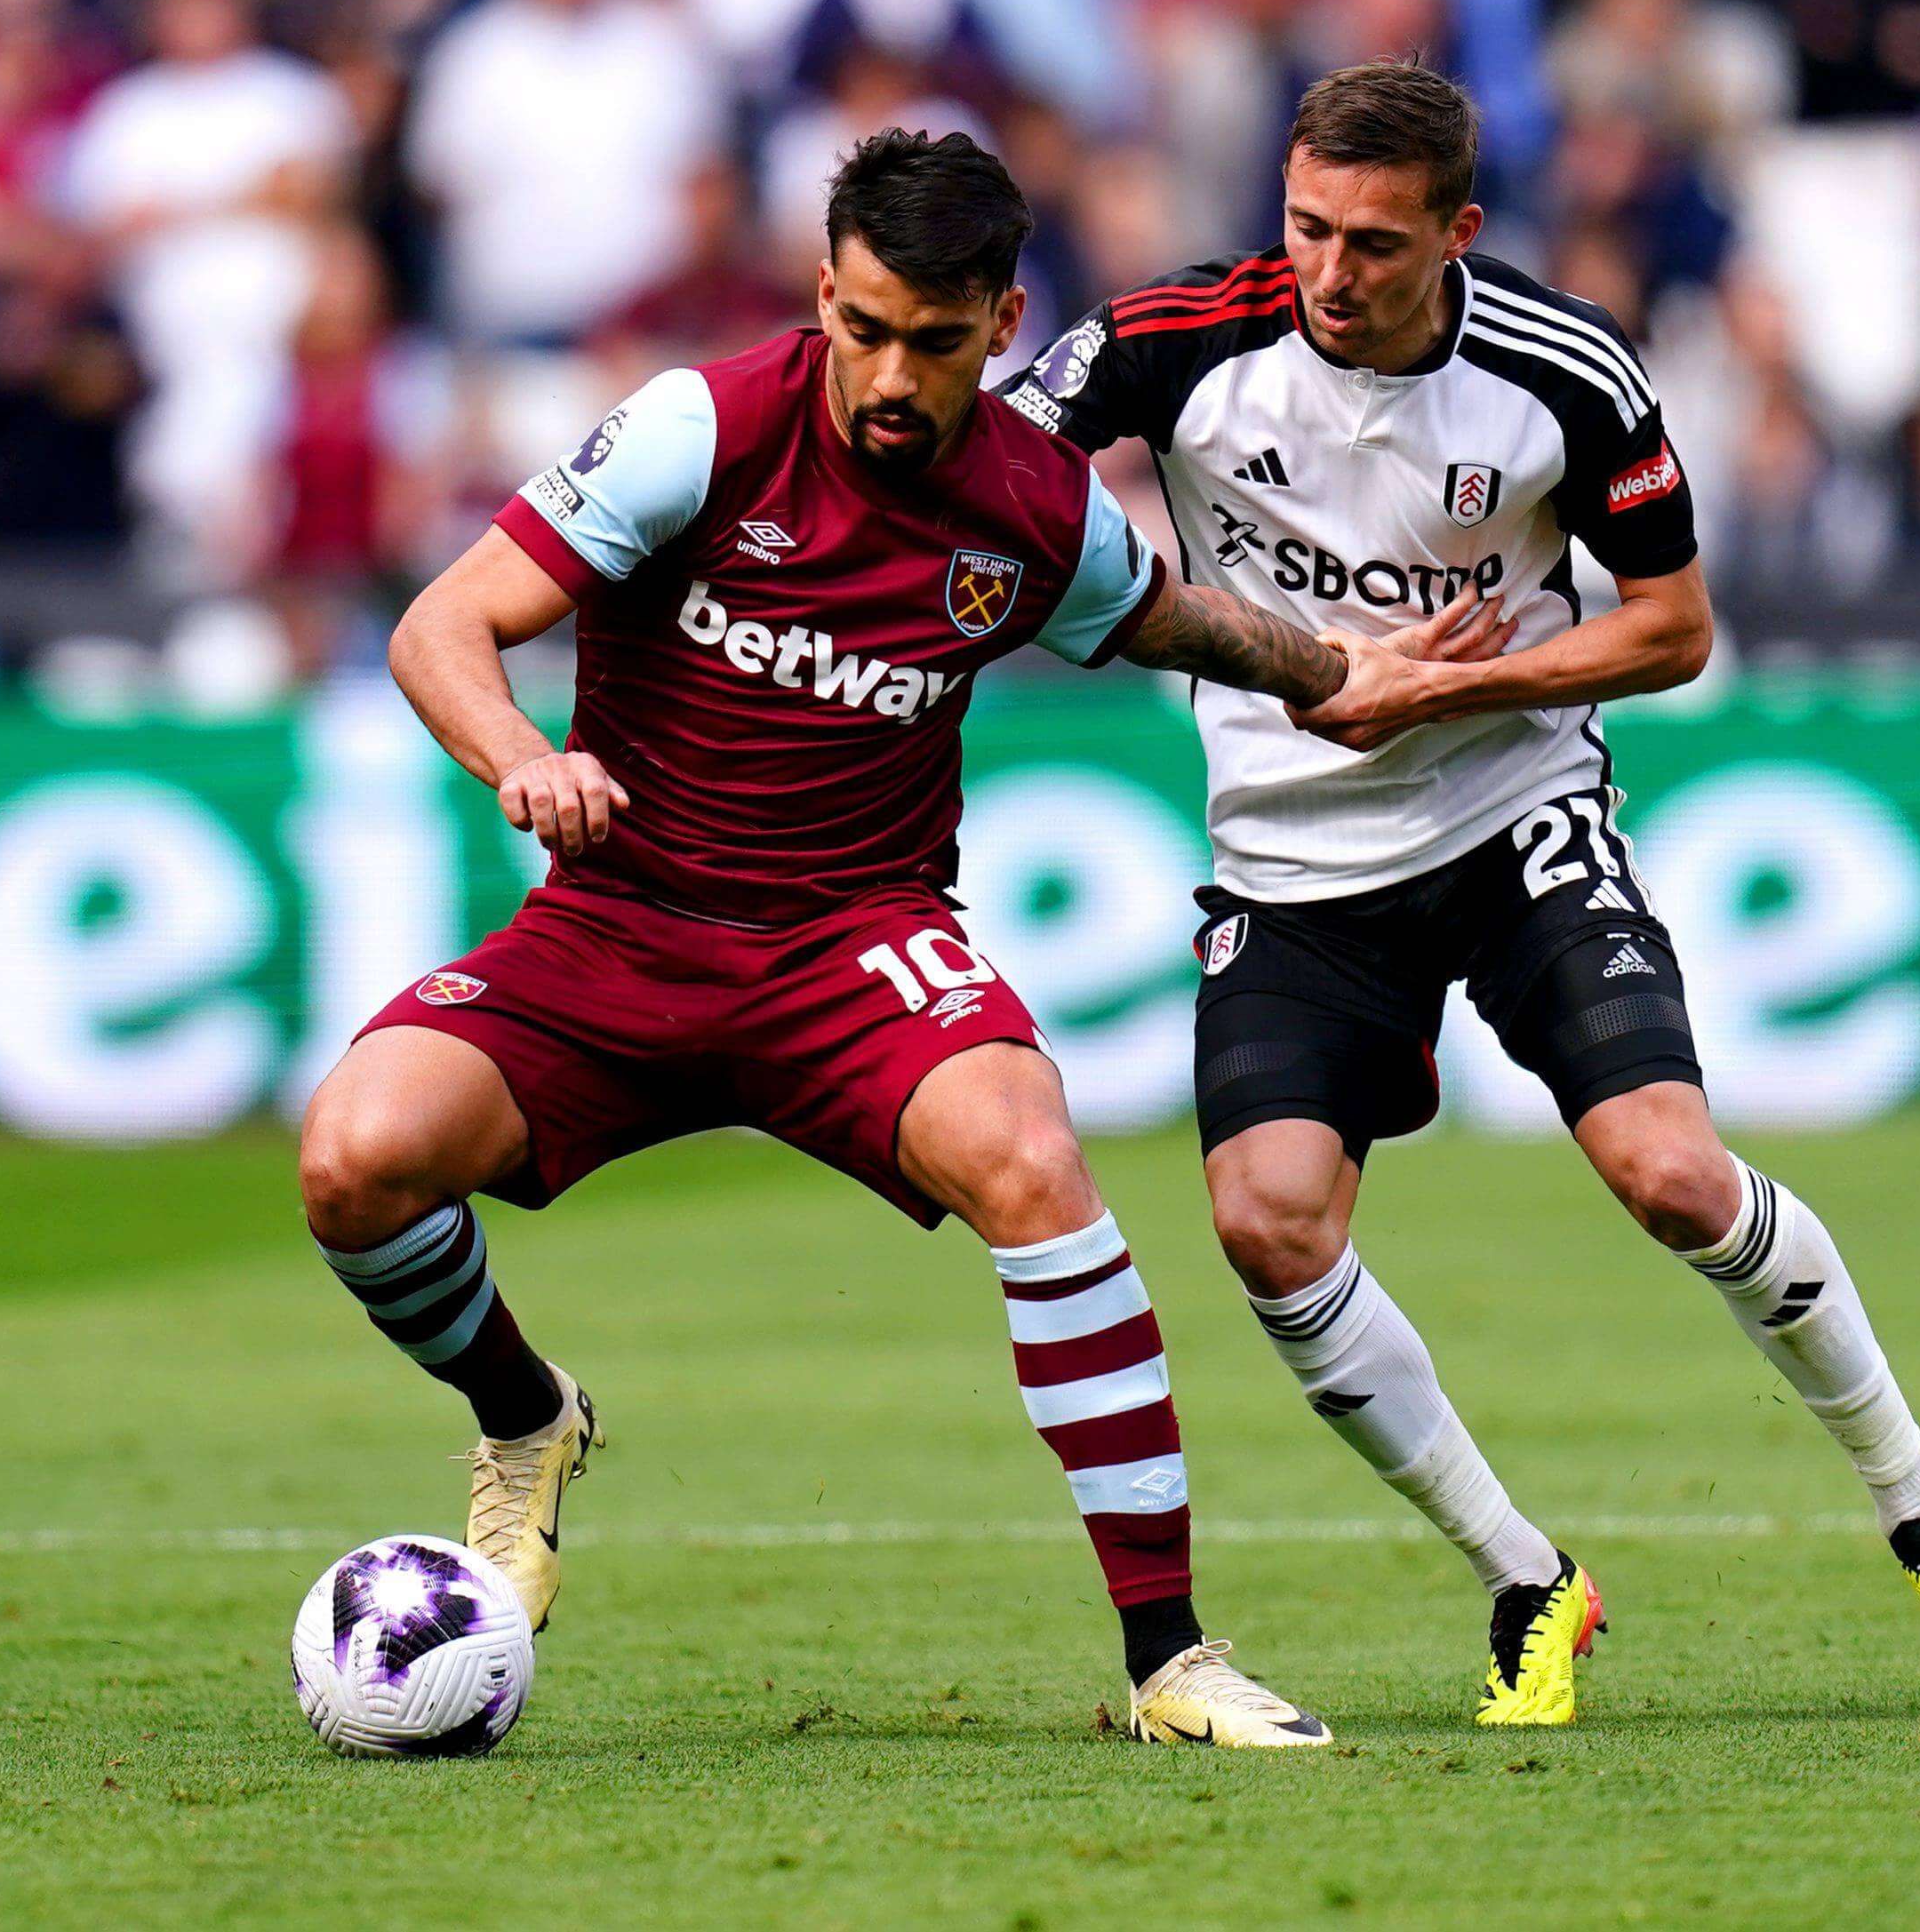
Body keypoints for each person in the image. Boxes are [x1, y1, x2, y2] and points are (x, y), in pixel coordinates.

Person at [298, 130, 1445, 1749]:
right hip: (622, 921)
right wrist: (523, 758)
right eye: (861, 326)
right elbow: (443, 622)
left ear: (1004, 318)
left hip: (855, 943)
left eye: (935, 338)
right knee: (353, 1160)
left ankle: (1170, 1661)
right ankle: (525, 1414)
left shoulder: (1035, 507)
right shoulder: (700, 429)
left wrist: (1339, 672)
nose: (890, 374)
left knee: (1040, 1172)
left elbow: (1171, 618)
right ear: (822, 294)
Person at [1003, 60, 1920, 1728]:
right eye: (1306, 228)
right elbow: (977, 479)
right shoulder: (1174, 342)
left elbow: (1673, 628)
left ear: (1458, 234)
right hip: (1288, 861)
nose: (1331, 275)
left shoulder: (1563, 374)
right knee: (1268, 1220)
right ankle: (1523, 1574)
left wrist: (1429, 694)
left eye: (1375, 242)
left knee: (1668, 1171)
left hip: (1511, 814)